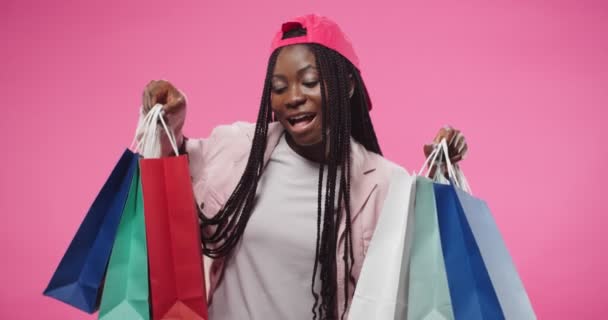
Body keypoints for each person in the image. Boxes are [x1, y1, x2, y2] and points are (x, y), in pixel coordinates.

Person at [139, 14, 468, 320]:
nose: (292, 98)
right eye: (279, 88)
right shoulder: (235, 147)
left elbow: (420, 280)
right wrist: (168, 126)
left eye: (309, 81)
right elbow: (167, 191)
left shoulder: (384, 184)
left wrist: (442, 182)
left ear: (348, 86)